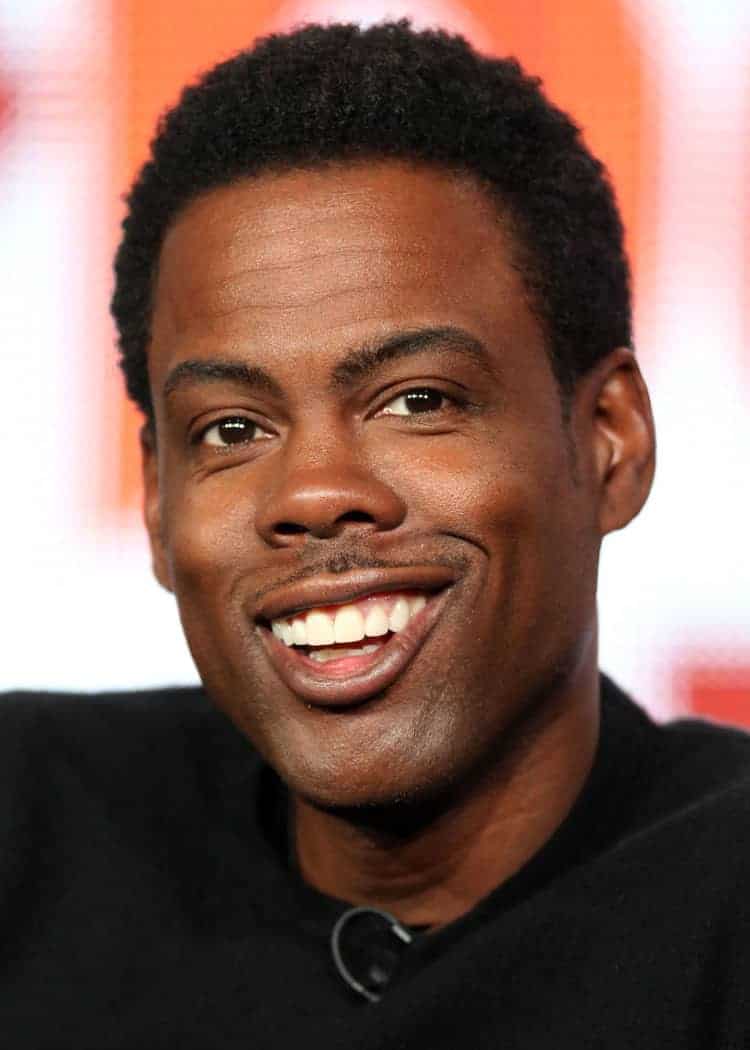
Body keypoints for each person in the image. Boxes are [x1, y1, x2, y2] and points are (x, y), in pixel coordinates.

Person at [2, 20, 748, 1049]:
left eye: (417, 400)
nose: (314, 494)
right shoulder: (29, 832)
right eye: (232, 429)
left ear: (610, 441)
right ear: (160, 506)